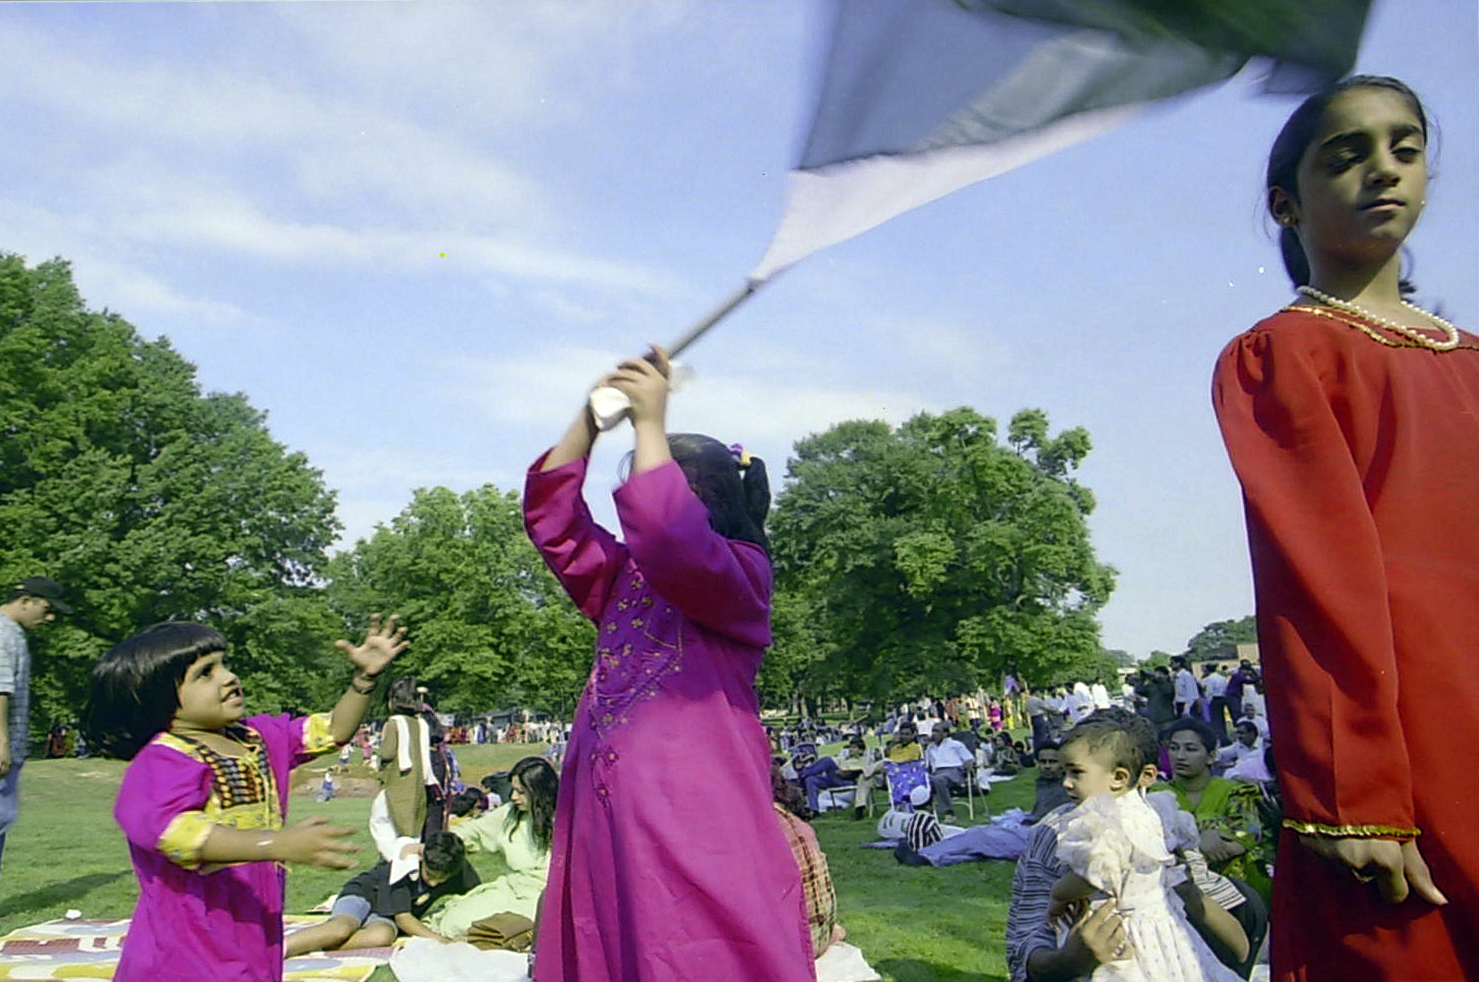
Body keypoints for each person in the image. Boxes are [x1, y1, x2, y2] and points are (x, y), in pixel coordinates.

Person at [1213, 74, 1475, 981]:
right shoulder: (1284, 354)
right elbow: (1313, 575)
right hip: (1407, 737)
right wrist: (1349, 792)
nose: (1384, 169)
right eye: (1345, 154)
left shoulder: (1472, 363)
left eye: (1405, 148)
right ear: (1285, 203)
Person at [523, 345, 814, 982]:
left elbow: (670, 536)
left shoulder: (741, 575)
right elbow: (553, 522)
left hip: (693, 806)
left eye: (663, 479)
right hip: (608, 808)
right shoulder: (622, 576)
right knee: (611, 941)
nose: (640, 498)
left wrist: (650, 424)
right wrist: (589, 421)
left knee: (698, 946)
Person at [82, 616, 407, 982]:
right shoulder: (161, 761)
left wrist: (364, 680)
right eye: (205, 674)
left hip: (253, 931)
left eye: (224, 664)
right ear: (160, 698)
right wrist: (277, 844)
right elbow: (178, 834)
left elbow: (333, 730)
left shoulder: (258, 737)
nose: (228, 677)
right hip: (186, 950)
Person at [1006, 708, 1251, 982]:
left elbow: (1238, 945)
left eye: (1077, 772)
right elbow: (1024, 947)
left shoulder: (1160, 823)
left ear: (1142, 776)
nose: (1066, 783)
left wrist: (1183, 888)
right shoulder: (1055, 832)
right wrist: (1068, 962)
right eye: (1066, 771)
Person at [283, 831, 479, 957]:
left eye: (442, 879)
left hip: (385, 914)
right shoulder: (406, 866)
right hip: (364, 894)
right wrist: (442, 940)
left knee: (381, 936)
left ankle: (314, 945)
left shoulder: (457, 867)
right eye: (430, 875)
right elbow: (404, 919)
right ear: (423, 859)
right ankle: (280, 949)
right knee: (341, 928)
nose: (434, 883)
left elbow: (479, 896)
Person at [424, 755, 557, 938]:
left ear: (539, 791)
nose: (513, 797)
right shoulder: (510, 814)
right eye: (513, 790)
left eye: (521, 792)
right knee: (454, 923)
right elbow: (474, 832)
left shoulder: (567, 820)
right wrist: (438, 845)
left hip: (544, 899)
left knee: (523, 928)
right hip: (510, 891)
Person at [0, 576, 69, 882]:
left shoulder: (12, 633)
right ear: (26, 601)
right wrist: (2, 742)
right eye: (47, 608)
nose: (50, 618)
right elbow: (1, 689)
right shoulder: (3, 633)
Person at [925, 721, 976, 820]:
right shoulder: (930, 747)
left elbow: (969, 759)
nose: (934, 734)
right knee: (922, 780)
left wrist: (969, 765)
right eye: (933, 731)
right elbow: (926, 764)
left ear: (945, 733)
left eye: (937, 731)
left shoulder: (955, 744)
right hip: (936, 773)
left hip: (954, 771)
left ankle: (949, 812)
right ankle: (923, 811)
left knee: (939, 779)